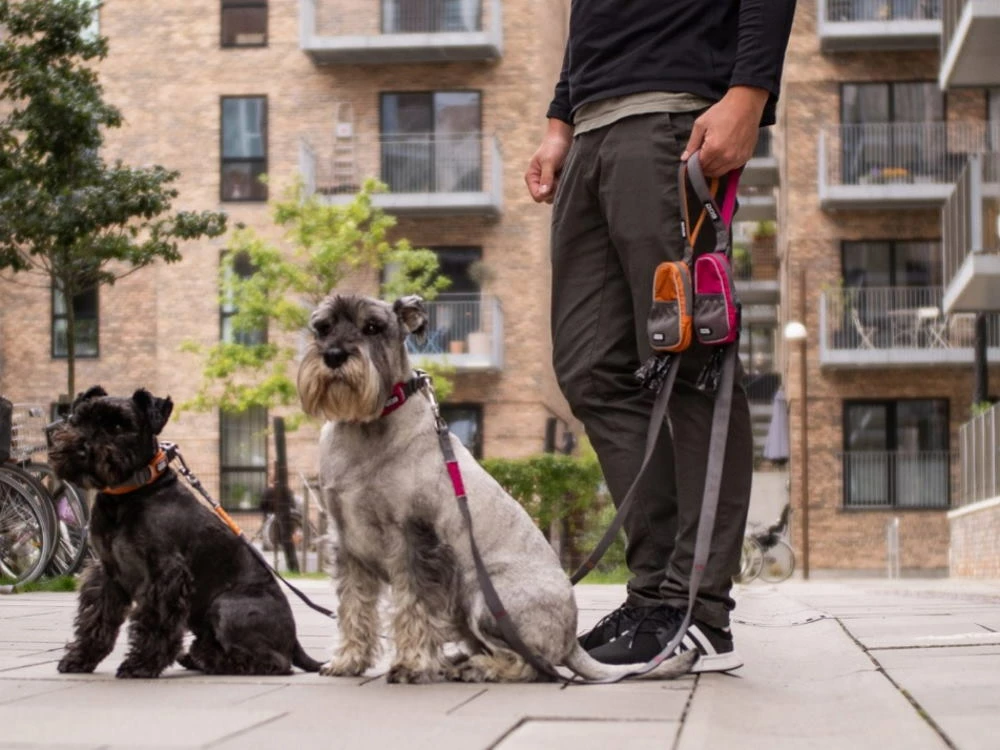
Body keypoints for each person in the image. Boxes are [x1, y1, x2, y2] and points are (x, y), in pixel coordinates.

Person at [525, 1, 796, 671]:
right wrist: (561, 120)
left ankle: (699, 610)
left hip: (672, 119)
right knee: (589, 369)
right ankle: (654, 598)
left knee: (690, 357)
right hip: (591, 129)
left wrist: (749, 92)